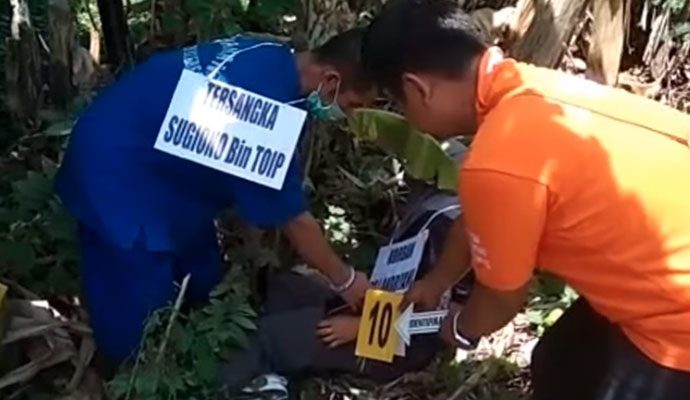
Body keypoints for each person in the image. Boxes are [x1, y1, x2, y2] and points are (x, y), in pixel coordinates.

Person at [360, 1, 690, 399]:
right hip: (663, 273)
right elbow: (477, 220)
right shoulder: (540, 87)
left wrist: (460, 329)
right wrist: (437, 282)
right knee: (558, 360)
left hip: (676, 322)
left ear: (418, 89)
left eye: (399, 105)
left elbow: (501, 297)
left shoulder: (497, 160)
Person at [55, 29, 375, 364]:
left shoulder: (272, 56)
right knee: (136, 313)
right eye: (352, 105)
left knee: (203, 277)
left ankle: (195, 338)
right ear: (331, 80)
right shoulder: (263, 106)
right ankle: (134, 370)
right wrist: (346, 280)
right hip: (118, 171)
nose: (349, 115)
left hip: (163, 164)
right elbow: (294, 220)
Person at [218, 140, 474, 399]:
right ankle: (280, 376)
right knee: (285, 287)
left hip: (391, 340)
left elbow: (451, 323)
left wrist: (362, 327)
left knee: (270, 337)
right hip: (377, 304)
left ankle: (219, 387)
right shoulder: (438, 206)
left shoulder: (471, 240)